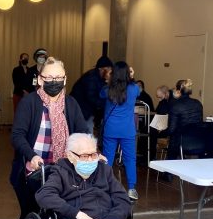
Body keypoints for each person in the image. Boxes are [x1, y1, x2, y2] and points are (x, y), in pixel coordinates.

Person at [10, 57, 86, 219]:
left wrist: (91, 152)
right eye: (49, 77)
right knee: (30, 213)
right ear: (40, 79)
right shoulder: (29, 102)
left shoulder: (71, 104)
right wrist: (32, 156)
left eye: (58, 77)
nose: (54, 81)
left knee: (57, 216)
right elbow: (17, 135)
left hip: (63, 171)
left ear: (65, 79)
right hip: (34, 171)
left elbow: (83, 133)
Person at [100, 61, 141, 200]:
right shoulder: (134, 88)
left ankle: (104, 187)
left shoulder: (107, 90)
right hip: (127, 130)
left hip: (110, 129)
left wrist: (109, 79)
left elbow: (100, 94)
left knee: (108, 158)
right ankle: (131, 189)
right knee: (130, 159)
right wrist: (132, 76)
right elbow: (138, 91)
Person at [70, 55, 114, 132]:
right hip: (81, 110)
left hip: (85, 111)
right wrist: (107, 104)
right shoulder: (91, 78)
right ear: (101, 69)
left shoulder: (99, 77)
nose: (110, 72)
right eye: (109, 69)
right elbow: (92, 97)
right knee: (85, 133)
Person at [167, 79, 203, 160]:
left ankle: (169, 166)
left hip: (180, 142)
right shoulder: (198, 103)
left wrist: (162, 132)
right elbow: (199, 122)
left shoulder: (175, 105)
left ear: (178, 91)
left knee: (172, 140)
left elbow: (171, 129)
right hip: (197, 141)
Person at [149, 85, 172, 162]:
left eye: (159, 97)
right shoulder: (164, 102)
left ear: (164, 94)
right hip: (162, 126)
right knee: (149, 129)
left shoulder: (165, 103)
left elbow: (160, 113)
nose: (158, 99)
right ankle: (150, 155)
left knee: (150, 131)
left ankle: (151, 156)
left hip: (164, 127)